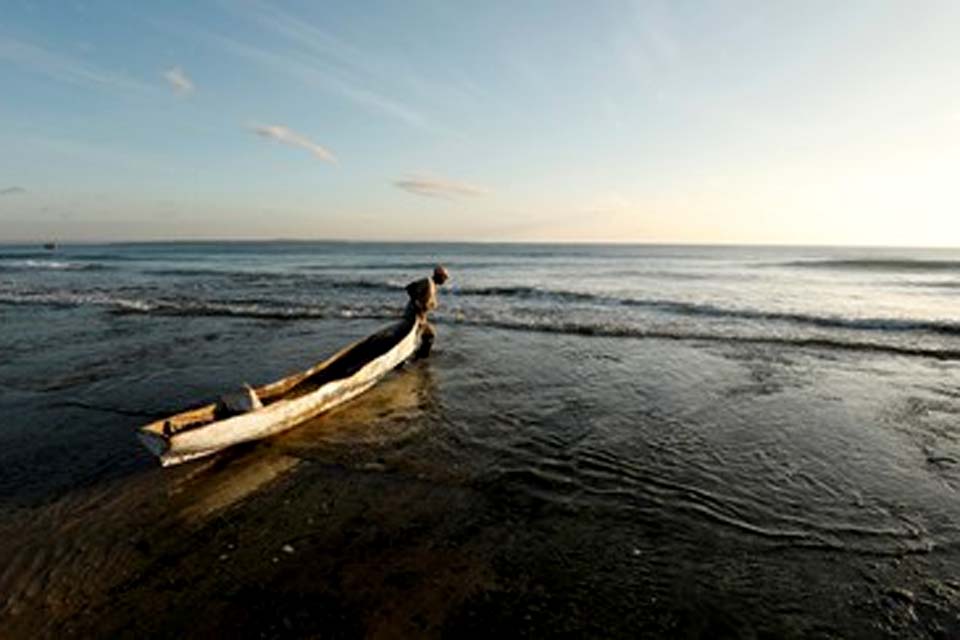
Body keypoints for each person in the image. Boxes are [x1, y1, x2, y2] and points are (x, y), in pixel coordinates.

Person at [405, 265, 449, 358]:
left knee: (428, 335)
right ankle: (416, 357)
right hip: (414, 314)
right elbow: (410, 288)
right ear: (438, 275)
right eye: (444, 277)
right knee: (422, 336)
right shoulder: (427, 282)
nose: (445, 280)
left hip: (421, 315)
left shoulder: (433, 285)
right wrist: (417, 304)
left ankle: (420, 355)